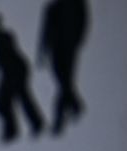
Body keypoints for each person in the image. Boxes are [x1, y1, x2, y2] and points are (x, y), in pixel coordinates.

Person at [0, 14, 44, 143]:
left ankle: (21, 128)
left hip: (16, 71)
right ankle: (19, 128)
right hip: (11, 72)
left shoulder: (3, 37)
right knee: (9, 100)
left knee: (14, 99)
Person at [37, 0, 88, 134]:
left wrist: (76, 41)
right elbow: (45, 31)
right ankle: (76, 106)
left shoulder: (76, 4)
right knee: (64, 82)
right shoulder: (51, 8)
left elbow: (82, 22)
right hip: (56, 50)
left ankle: (59, 121)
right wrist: (42, 52)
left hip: (68, 47)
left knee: (64, 83)